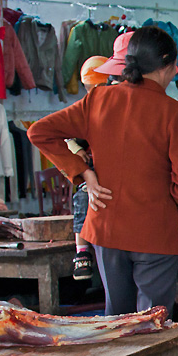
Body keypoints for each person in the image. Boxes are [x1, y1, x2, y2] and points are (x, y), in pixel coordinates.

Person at [27, 26, 178, 317]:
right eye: (174, 65)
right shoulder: (176, 113)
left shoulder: (98, 100)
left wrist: (83, 172)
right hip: (154, 233)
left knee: (116, 321)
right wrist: (164, 202)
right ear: (166, 64)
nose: (175, 71)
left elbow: (39, 132)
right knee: (154, 324)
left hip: (106, 228)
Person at [66, 53, 112, 280]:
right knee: (83, 195)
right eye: (90, 88)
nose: (93, 92)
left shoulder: (118, 106)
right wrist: (78, 152)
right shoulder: (84, 110)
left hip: (118, 167)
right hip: (95, 170)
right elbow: (68, 137)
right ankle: (81, 251)